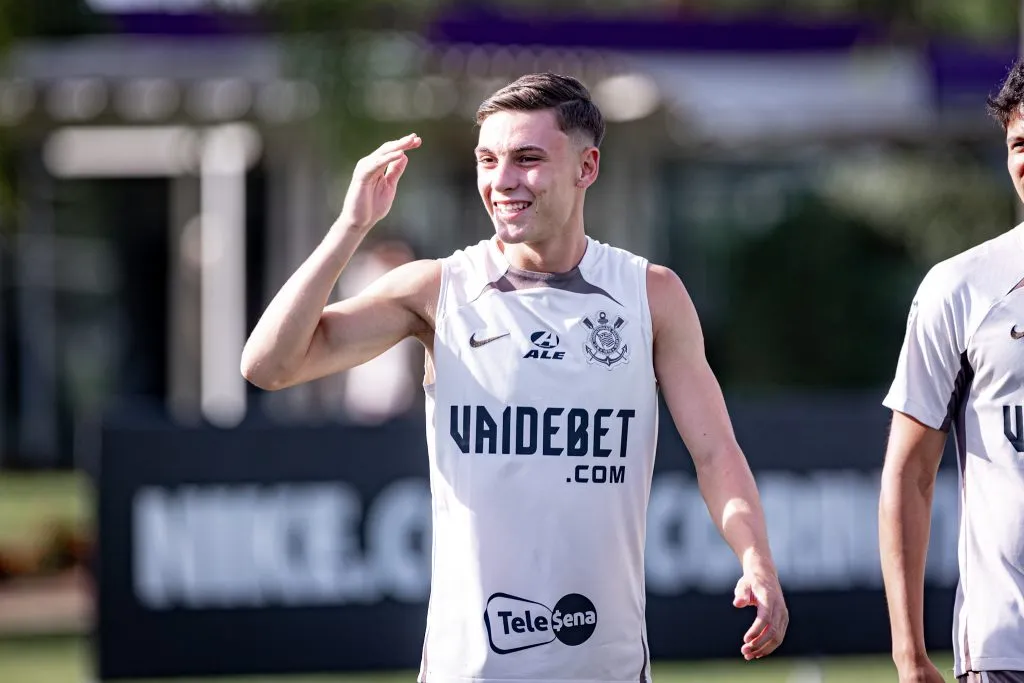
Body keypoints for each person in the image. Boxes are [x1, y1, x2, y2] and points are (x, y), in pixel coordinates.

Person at [241, 73, 788, 682]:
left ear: (587, 167)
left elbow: (716, 455)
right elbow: (269, 366)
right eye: (487, 159)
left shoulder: (649, 294)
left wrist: (756, 559)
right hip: (467, 667)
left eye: (527, 159)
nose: (502, 181)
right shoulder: (437, 289)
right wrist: (350, 227)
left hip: (602, 664)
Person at [879, 59, 1024, 683]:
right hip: (1005, 649)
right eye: (1019, 144)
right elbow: (910, 472)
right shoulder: (961, 287)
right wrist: (908, 653)